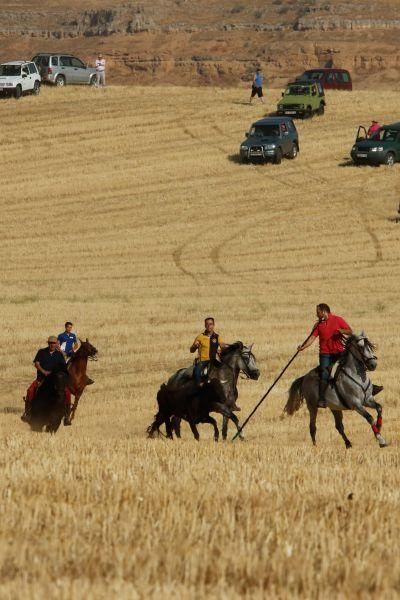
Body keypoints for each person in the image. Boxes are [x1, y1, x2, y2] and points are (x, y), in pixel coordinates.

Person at [298, 304, 383, 408]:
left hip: (339, 351)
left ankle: (370, 388)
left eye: (318, 312)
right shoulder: (318, 325)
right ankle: (321, 398)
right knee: (325, 373)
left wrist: (341, 331)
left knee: (356, 366)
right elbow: (312, 338)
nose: (316, 314)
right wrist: (303, 346)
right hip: (325, 354)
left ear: (324, 311)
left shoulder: (338, 320)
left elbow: (350, 331)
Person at [22, 336, 72, 425]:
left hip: (55, 380)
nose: (52, 345)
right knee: (30, 391)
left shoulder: (59, 355)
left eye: (54, 343)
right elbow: (36, 364)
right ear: (48, 343)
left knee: (67, 393)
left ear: (57, 344)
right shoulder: (41, 352)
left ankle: (67, 416)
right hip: (42, 378)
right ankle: (27, 413)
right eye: (50, 343)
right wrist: (43, 371)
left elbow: (63, 367)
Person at [190, 317, 226, 386]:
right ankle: (199, 387)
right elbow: (191, 350)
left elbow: (223, 346)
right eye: (207, 324)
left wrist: (222, 349)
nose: (209, 326)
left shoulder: (217, 337)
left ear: (213, 325)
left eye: (211, 324)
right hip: (202, 361)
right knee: (197, 372)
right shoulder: (200, 337)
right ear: (205, 326)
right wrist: (195, 346)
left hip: (213, 360)